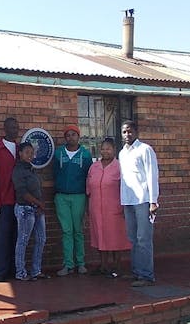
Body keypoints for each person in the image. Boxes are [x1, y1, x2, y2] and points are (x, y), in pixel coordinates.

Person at [118, 120, 159, 287]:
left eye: (129, 131)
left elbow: (152, 175)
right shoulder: (122, 153)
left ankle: (146, 276)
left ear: (136, 132)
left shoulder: (145, 150)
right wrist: (122, 201)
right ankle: (136, 272)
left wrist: (153, 201)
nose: (127, 135)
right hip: (128, 200)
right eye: (124, 132)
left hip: (143, 200)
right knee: (132, 238)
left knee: (144, 238)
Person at [86, 137, 132, 278]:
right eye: (103, 148)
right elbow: (88, 185)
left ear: (114, 150)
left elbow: (126, 187)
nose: (105, 151)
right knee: (99, 235)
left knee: (115, 237)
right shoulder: (94, 167)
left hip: (114, 208)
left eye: (109, 148)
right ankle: (103, 265)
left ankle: (117, 265)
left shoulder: (119, 167)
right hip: (96, 207)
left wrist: (124, 205)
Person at [53, 124, 93, 276]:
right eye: (68, 135)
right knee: (66, 231)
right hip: (62, 196)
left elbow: (89, 176)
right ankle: (68, 264)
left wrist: (88, 196)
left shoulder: (85, 155)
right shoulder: (58, 153)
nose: (71, 137)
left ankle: (81, 263)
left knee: (78, 231)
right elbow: (55, 173)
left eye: (73, 134)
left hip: (79, 196)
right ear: (65, 137)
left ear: (78, 136)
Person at [11, 142, 47, 281]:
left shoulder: (31, 169)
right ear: (20, 153)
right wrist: (39, 203)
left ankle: (36, 271)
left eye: (32, 153)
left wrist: (38, 205)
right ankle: (20, 272)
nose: (30, 155)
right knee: (23, 241)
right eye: (27, 152)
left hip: (36, 209)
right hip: (25, 209)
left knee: (41, 239)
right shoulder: (18, 170)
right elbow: (23, 193)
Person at [0, 117, 19, 280]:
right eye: (12, 127)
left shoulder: (21, 148)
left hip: (19, 202)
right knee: (3, 238)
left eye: (17, 127)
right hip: (4, 202)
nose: (15, 130)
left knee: (17, 237)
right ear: (5, 129)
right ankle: (1, 273)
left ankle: (14, 271)